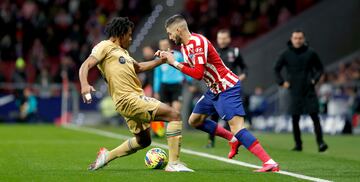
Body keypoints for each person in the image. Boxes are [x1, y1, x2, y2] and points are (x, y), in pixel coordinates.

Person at [159, 14, 279, 172]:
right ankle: (232, 139)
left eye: (170, 33)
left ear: (179, 29)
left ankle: (269, 162)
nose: (170, 37)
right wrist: (170, 59)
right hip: (214, 89)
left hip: (227, 86)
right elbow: (189, 66)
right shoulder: (184, 46)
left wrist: (173, 62)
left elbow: (198, 74)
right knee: (194, 120)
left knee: (237, 127)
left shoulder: (198, 42)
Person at [79, 17, 193, 172]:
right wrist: (85, 84)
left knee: (144, 141)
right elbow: (86, 65)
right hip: (129, 99)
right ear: (121, 34)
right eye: (129, 34)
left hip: (128, 100)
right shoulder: (105, 46)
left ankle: (106, 156)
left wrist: (162, 61)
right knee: (174, 115)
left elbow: (138, 67)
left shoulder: (122, 52)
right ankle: (173, 163)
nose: (131, 38)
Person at [273, 29, 328, 152]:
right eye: (295, 38)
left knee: (315, 116)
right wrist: (282, 82)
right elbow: (276, 69)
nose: (298, 40)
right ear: (291, 39)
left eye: (300, 38)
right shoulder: (285, 54)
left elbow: (320, 68)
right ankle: (298, 144)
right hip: (294, 90)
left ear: (303, 39)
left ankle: (321, 143)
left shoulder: (311, 53)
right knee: (295, 118)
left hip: (309, 90)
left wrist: (314, 79)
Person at [205, 29, 249, 148]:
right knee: (213, 115)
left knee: (234, 115)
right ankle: (210, 141)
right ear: (217, 39)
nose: (222, 41)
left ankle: (240, 139)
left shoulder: (235, 52)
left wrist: (241, 77)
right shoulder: (213, 52)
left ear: (229, 39)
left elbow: (244, 68)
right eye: (220, 38)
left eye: (224, 38)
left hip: (230, 88)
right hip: (216, 88)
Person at [153, 38, 191, 112]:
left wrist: (190, 82)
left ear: (169, 45)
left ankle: (176, 123)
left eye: (165, 45)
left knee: (176, 110)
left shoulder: (177, 55)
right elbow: (157, 76)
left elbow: (184, 68)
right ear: (160, 47)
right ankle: (169, 124)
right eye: (162, 45)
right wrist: (156, 90)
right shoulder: (158, 58)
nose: (164, 47)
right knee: (166, 111)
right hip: (164, 86)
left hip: (177, 85)